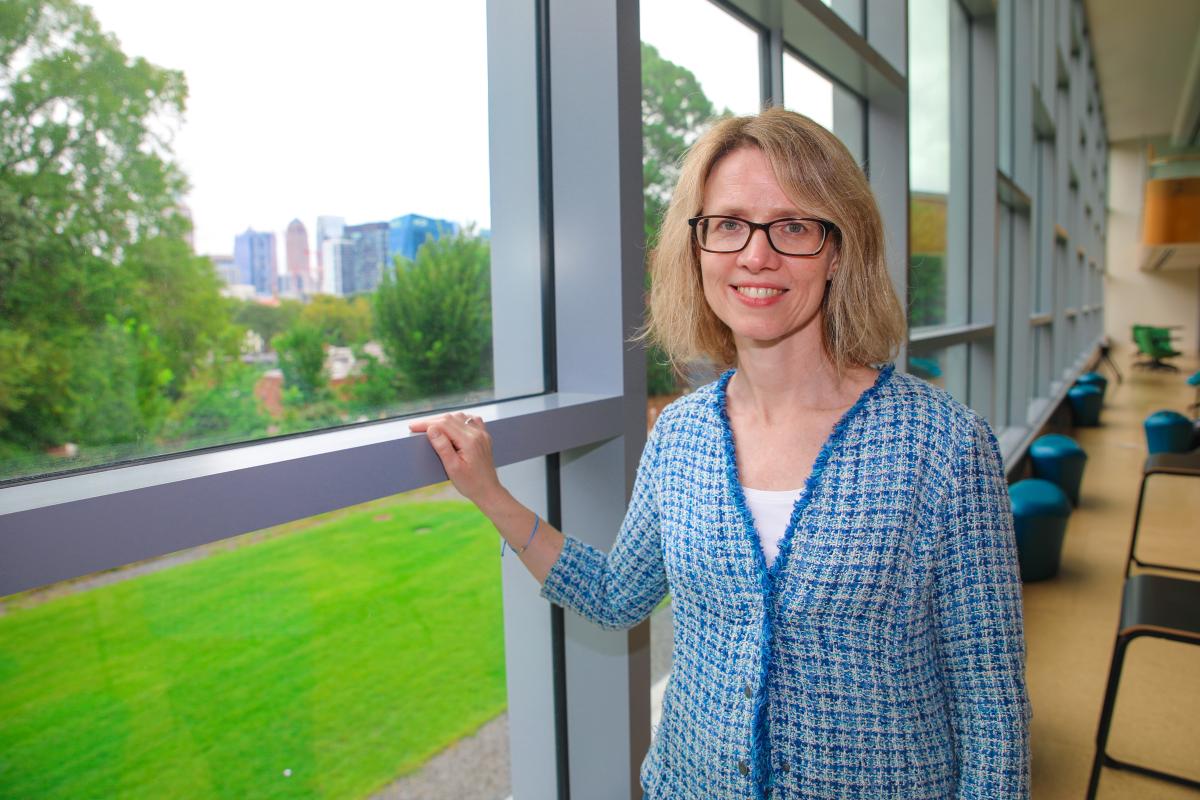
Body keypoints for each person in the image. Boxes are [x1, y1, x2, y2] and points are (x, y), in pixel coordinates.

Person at [410, 107, 1030, 799]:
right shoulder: (681, 436)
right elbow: (619, 596)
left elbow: (992, 709)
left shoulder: (942, 444)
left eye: (793, 226)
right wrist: (490, 494)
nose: (755, 255)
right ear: (697, 246)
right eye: (728, 224)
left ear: (838, 249)